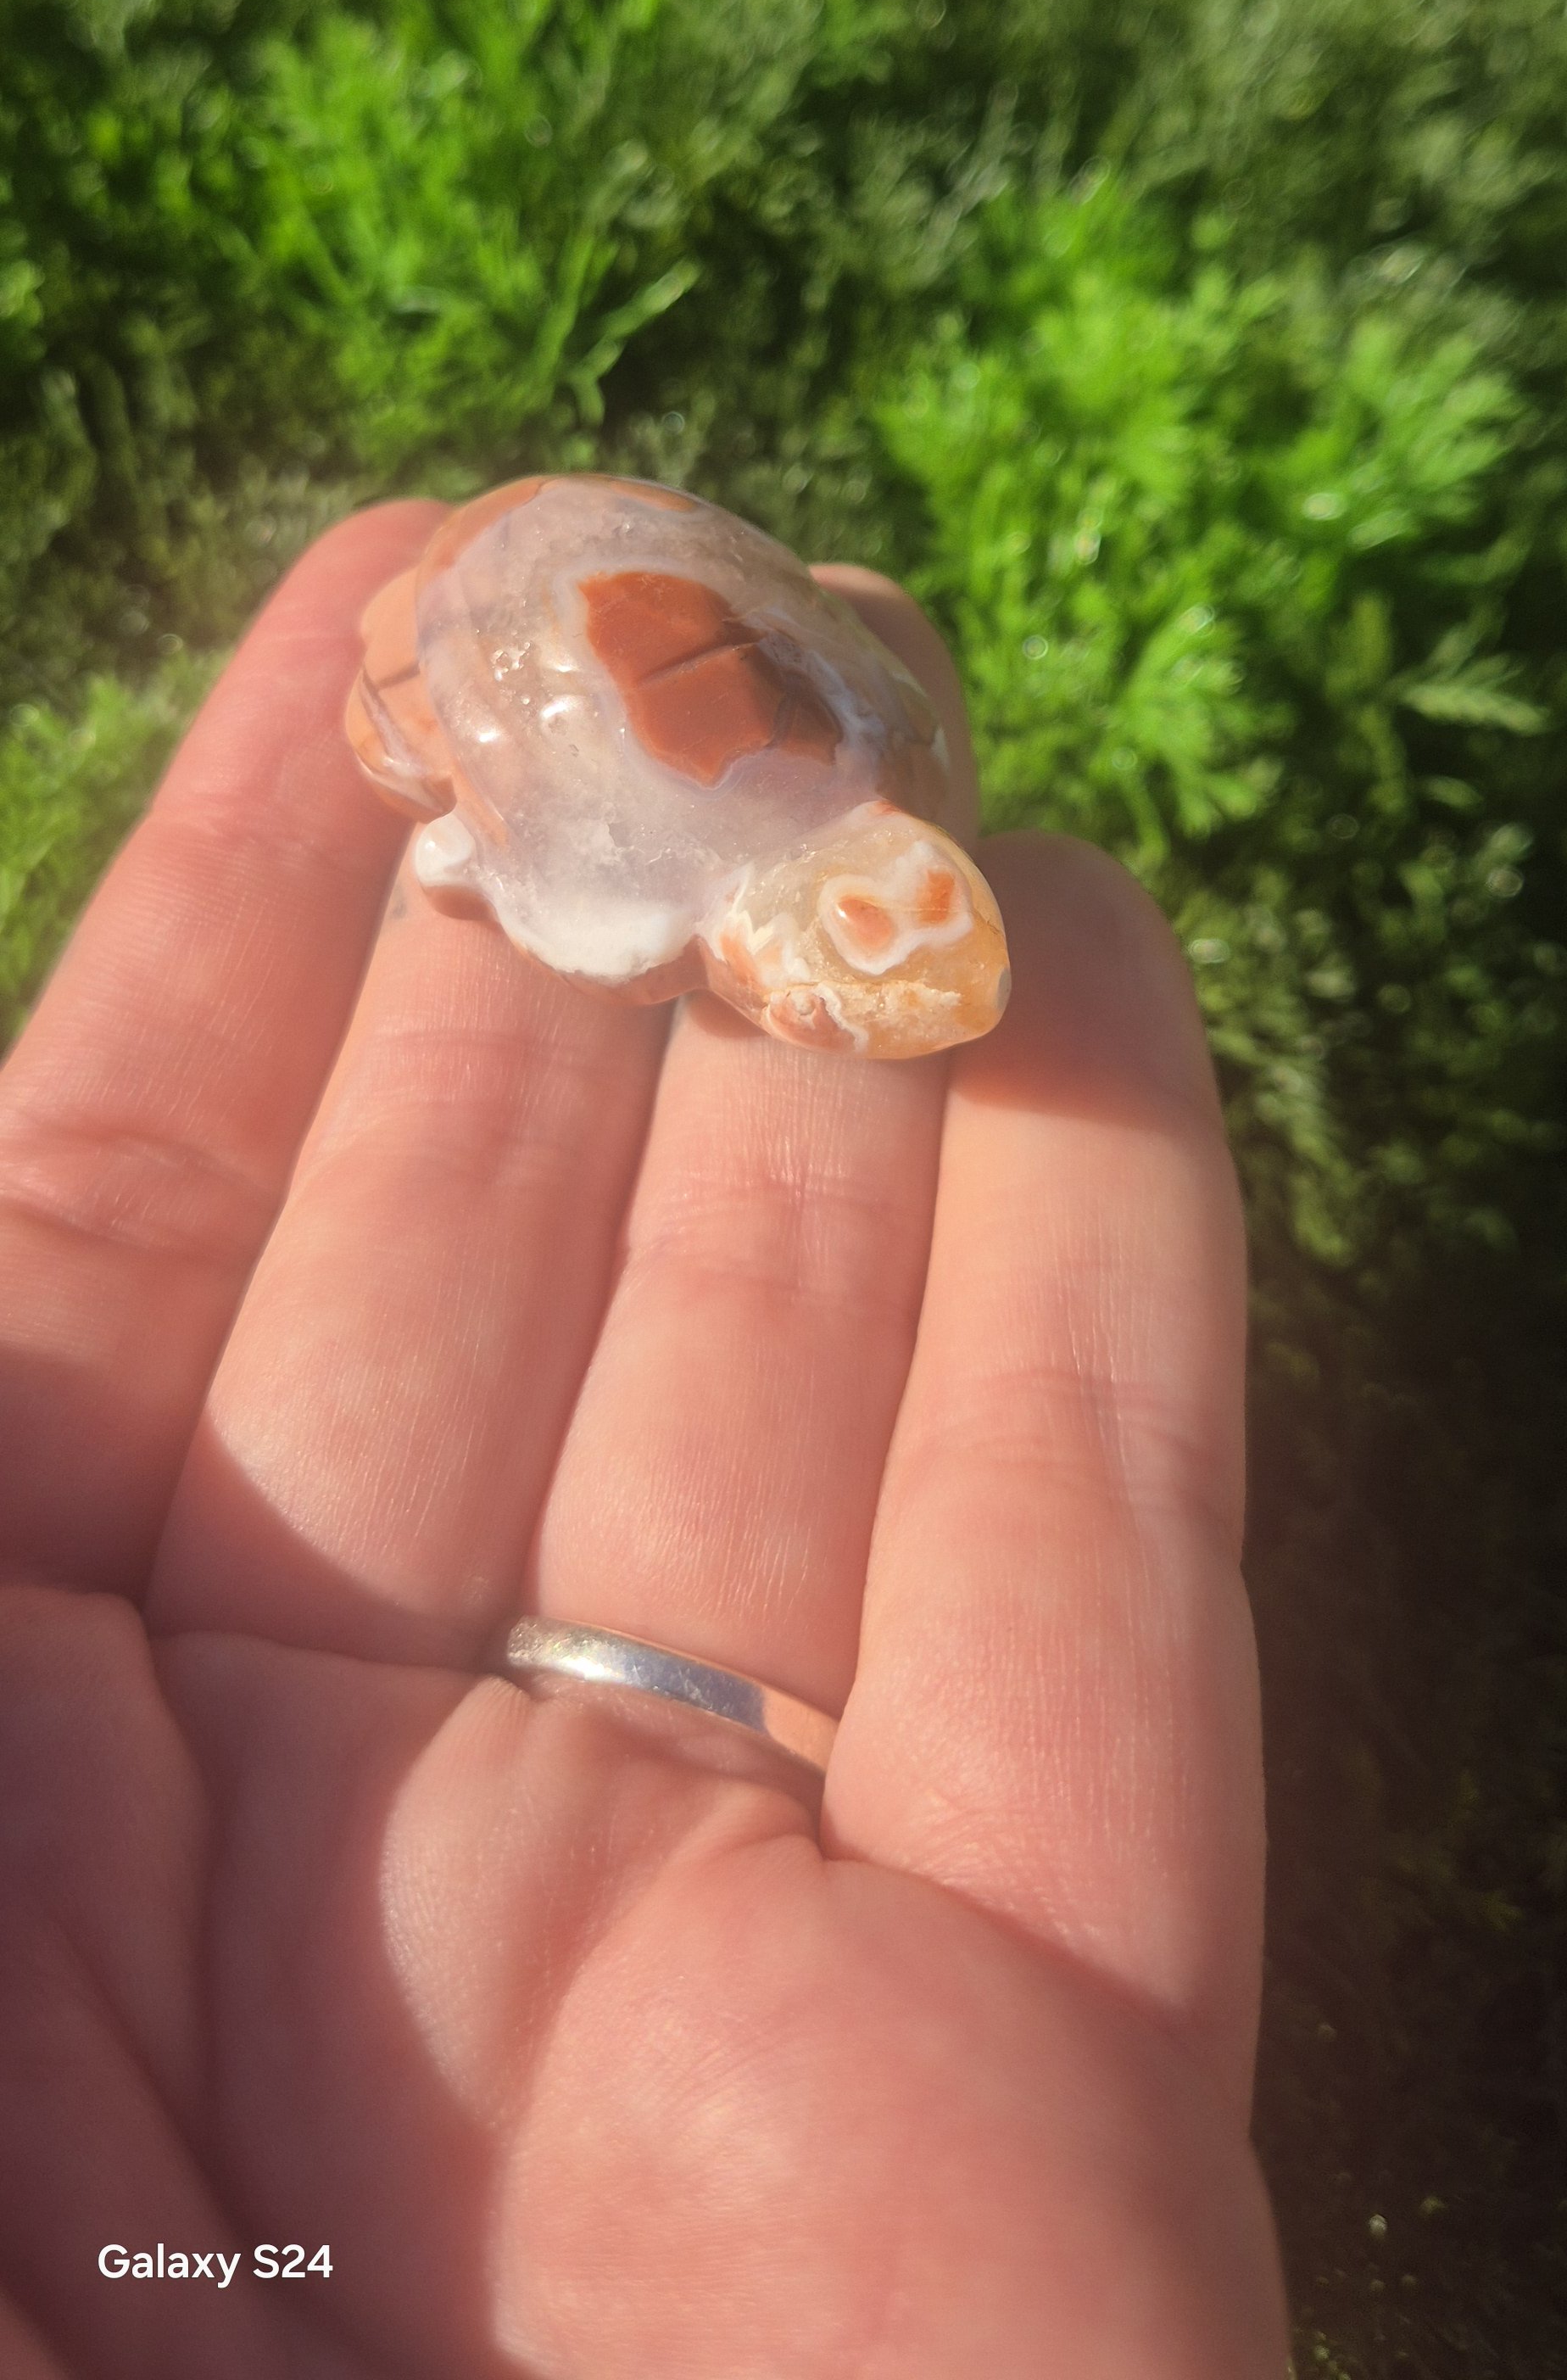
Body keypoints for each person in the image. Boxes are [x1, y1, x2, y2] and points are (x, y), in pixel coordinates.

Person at [0, 502, 1289, 2376]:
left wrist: (158, 2275)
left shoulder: (821, 797)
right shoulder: (660, 862)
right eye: (868, 961)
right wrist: (167, 2274)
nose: (880, 993)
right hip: (526, 650)